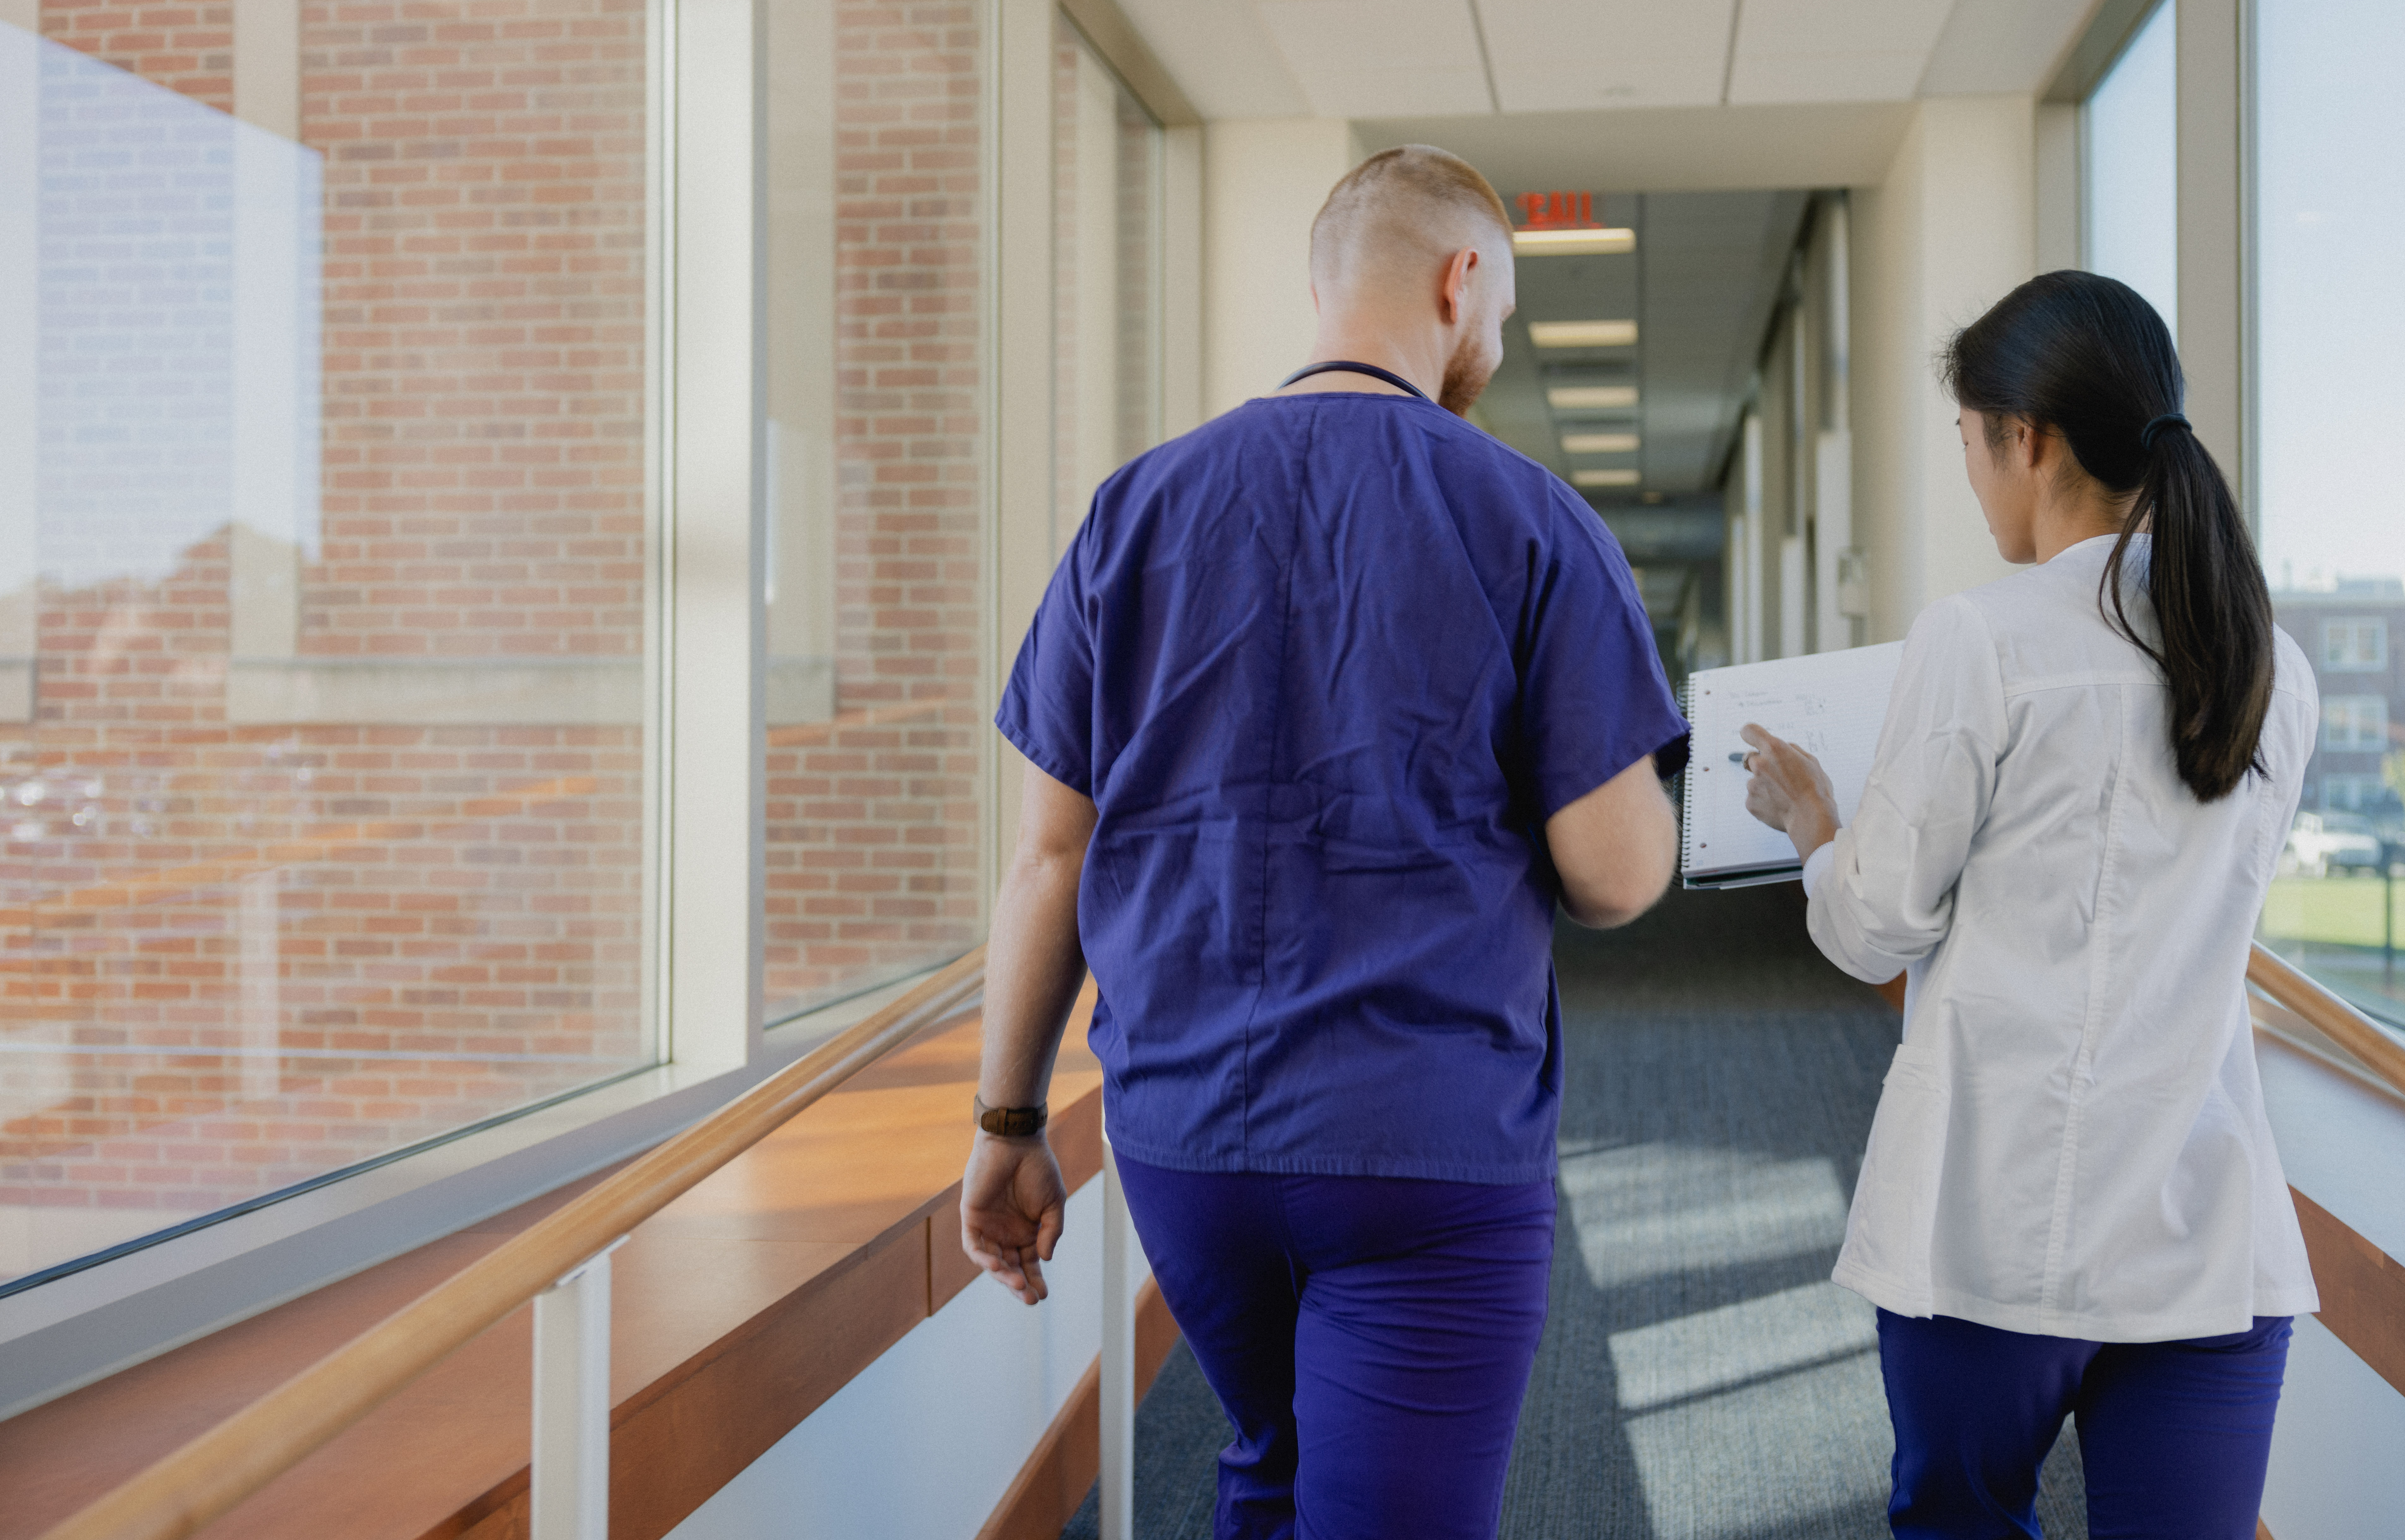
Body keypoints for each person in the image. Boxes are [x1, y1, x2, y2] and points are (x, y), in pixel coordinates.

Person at [958, 145, 1688, 1539]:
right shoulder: (1535, 521)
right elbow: (1609, 873)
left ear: (1316, 284)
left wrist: (1005, 1122)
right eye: (1504, 313)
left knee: (1273, 1468)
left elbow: (1049, 857)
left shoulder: (1135, 509)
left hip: (1185, 1135)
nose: (1492, 344)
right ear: (1460, 280)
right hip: (1422, 1147)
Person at [1740, 270, 2318, 1540]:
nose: (1969, 473)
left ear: (2026, 438)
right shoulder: (2273, 665)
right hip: (2204, 1232)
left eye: (1966, 441)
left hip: (1988, 1236)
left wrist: (1809, 825)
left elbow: (1871, 925)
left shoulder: (1985, 636)